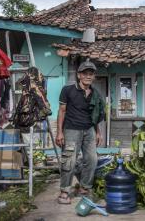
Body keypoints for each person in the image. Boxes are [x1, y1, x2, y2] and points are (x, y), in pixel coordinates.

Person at [56, 59, 105, 204]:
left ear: (94, 77)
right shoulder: (68, 90)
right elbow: (62, 111)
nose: (88, 76)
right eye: (85, 74)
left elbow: (95, 115)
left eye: (91, 74)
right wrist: (59, 132)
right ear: (79, 75)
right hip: (71, 129)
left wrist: (98, 132)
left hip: (89, 130)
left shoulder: (95, 94)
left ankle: (84, 188)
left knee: (92, 160)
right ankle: (64, 191)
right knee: (69, 161)